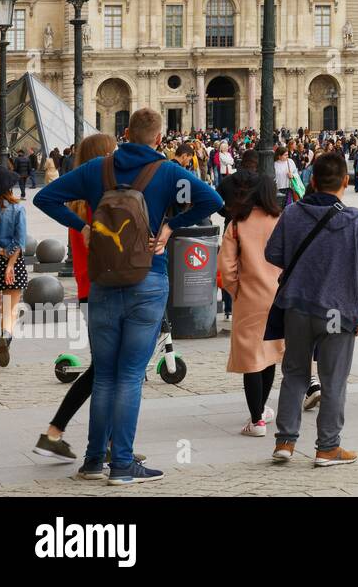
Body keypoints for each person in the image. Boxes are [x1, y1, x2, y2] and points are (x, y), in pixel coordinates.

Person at [35, 107, 223, 484]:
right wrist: (171, 226)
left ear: (125, 133)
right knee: (130, 376)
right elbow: (212, 202)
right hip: (148, 281)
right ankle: (121, 464)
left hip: (103, 283)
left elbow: (45, 198)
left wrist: (83, 227)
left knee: (104, 375)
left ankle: (92, 462)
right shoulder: (168, 171)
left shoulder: (96, 170)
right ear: (157, 138)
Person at [265, 152, 358, 466]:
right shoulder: (354, 221)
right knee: (333, 378)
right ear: (345, 181)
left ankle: (285, 442)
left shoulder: (292, 214)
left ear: (312, 181)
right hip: (336, 312)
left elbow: (273, 253)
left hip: (298, 306)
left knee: (295, 374)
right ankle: (327, 447)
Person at [32, 133, 118, 462]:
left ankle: (59, 434)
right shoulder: (99, 201)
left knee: (102, 370)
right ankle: (101, 446)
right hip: (104, 289)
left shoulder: (76, 201)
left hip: (87, 290)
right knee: (106, 372)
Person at [219, 171, 286, 438]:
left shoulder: (237, 224)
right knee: (269, 355)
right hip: (278, 295)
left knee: (251, 358)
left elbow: (226, 266)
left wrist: (236, 290)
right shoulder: (281, 220)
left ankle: (257, 419)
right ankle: (261, 411)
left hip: (249, 297)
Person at [0, 166, 26, 368]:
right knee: (10, 308)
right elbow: (20, 241)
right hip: (14, 262)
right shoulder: (17, 208)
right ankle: (6, 336)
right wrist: (10, 263)